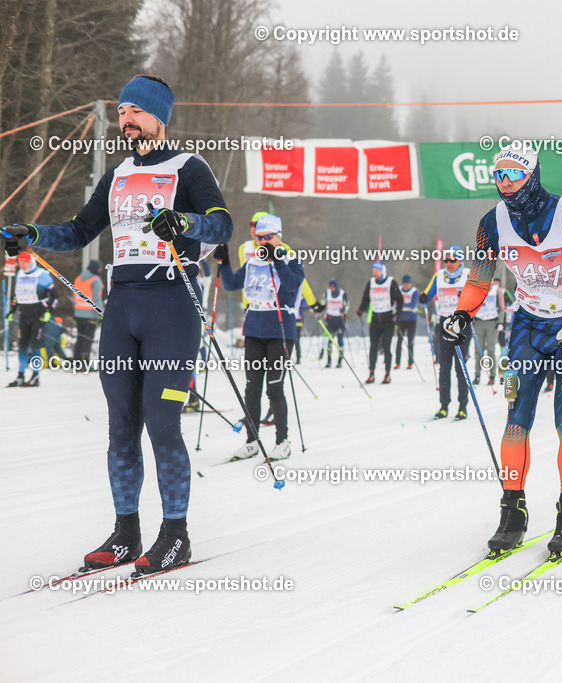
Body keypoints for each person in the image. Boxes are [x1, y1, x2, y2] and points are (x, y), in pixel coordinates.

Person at [1, 74, 233, 573]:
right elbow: (81, 230)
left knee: (163, 423)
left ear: (158, 117)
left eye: (134, 111)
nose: (125, 120)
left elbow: (222, 223)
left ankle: (176, 535)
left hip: (172, 304)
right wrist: (33, 234)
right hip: (123, 306)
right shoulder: (117, 175)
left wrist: (185, 223)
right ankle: (126, 532)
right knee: (121, 427)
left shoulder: (189, 168)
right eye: (121, 111)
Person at [442, 145, 562, 555]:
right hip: (528, 326)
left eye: (512, 176)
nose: (504, 184)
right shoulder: (492, 222)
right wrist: (462, 314)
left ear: (532, 175)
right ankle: (512, 512)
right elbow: (480, 281)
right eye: (497, 176)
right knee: (516, 419)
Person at [218, 214, 303, 460]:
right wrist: (224, 262)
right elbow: (233, 284)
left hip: (280, 332)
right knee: (251, 388)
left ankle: (282, 440)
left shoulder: (292, 259)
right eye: (259, 238)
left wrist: (277, 261)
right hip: (254, 329)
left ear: (279, 237)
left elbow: (290, 285)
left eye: (268, 237)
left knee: (274, 388)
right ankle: (252, 440)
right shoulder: (254, 260)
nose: (263, 242)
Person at [420, 246, 471, 419]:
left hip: (462, 324)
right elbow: (428, 293)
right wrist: (423, 297)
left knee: (460, 368)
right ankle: (444, 405)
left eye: (452, 260)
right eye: (446, 260)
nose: (448, 264)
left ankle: (462, 406)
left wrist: (467, 296)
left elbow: (481, 296)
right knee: (444, 367)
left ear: (460, 261)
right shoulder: (439, 275)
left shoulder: (468, 275)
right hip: (444, 323)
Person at [6, 251, 55, 386]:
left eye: (25, 262)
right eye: (20, 262)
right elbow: (17, 295)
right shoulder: (20, 274)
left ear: (31, 262)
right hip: (24, 314)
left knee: (35, 345)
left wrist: (48, 312)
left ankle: (35, 376)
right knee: (22, 344)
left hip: (38, 314)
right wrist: (12, 310)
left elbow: (54, 295)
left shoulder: (42, 274)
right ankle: (20, 376)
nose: (22, 265)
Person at [356, 261, 402, 384]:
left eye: (376, 271)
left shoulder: (391, 282)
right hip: (375, 321)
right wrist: (361, 309)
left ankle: (387, 373)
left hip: (388, 321)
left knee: (387, 347)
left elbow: (400, 299)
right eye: (373, 271)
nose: (374, 273)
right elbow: (365, 298)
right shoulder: (371, 283)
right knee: (373, 348)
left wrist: (397, 315)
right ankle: (371, 373)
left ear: (382, 271)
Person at [472, 276, 505, 385]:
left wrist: (500, 322)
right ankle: (477, 375)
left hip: (492, 323)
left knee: (491, 350)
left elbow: (502, 307)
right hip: (479, 322)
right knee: (479, 350)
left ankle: (492, 375)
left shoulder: (497, 290)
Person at [72, 259, 104, 363]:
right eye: (99, 268)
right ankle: (85, 362)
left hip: (79, 313)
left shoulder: (78, 278)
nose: (100, 270)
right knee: (88, 339)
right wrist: (102, 313)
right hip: (90, 314)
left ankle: (77, 361)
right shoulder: (95, 280)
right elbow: (97, 299)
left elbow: (74, 297)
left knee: (80, 338)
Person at [394, 275, 420, 369]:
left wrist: (401, 306)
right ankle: (397, 363)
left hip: (412, 320)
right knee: (399, 341)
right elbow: (395, 302)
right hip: (401, 320)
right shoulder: (399, 290)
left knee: (410, 341)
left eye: (408, 284)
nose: (406, 285)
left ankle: (410, 362)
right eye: (405, 283)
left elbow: (412, 305)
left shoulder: (414, 292)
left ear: (410, 284)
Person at [321, 279, 348, 367]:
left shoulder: (342, 293)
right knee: (330, 340)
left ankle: (340, 361)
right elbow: (322, 302)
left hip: (339, 320)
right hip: (330, 319)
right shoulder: (327, 293)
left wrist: (344, 310)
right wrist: (320, 307)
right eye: (331, 286)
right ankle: (329, 361)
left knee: (340, 339)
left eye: (334, 286)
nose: (332, 288)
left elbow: (347, 305)